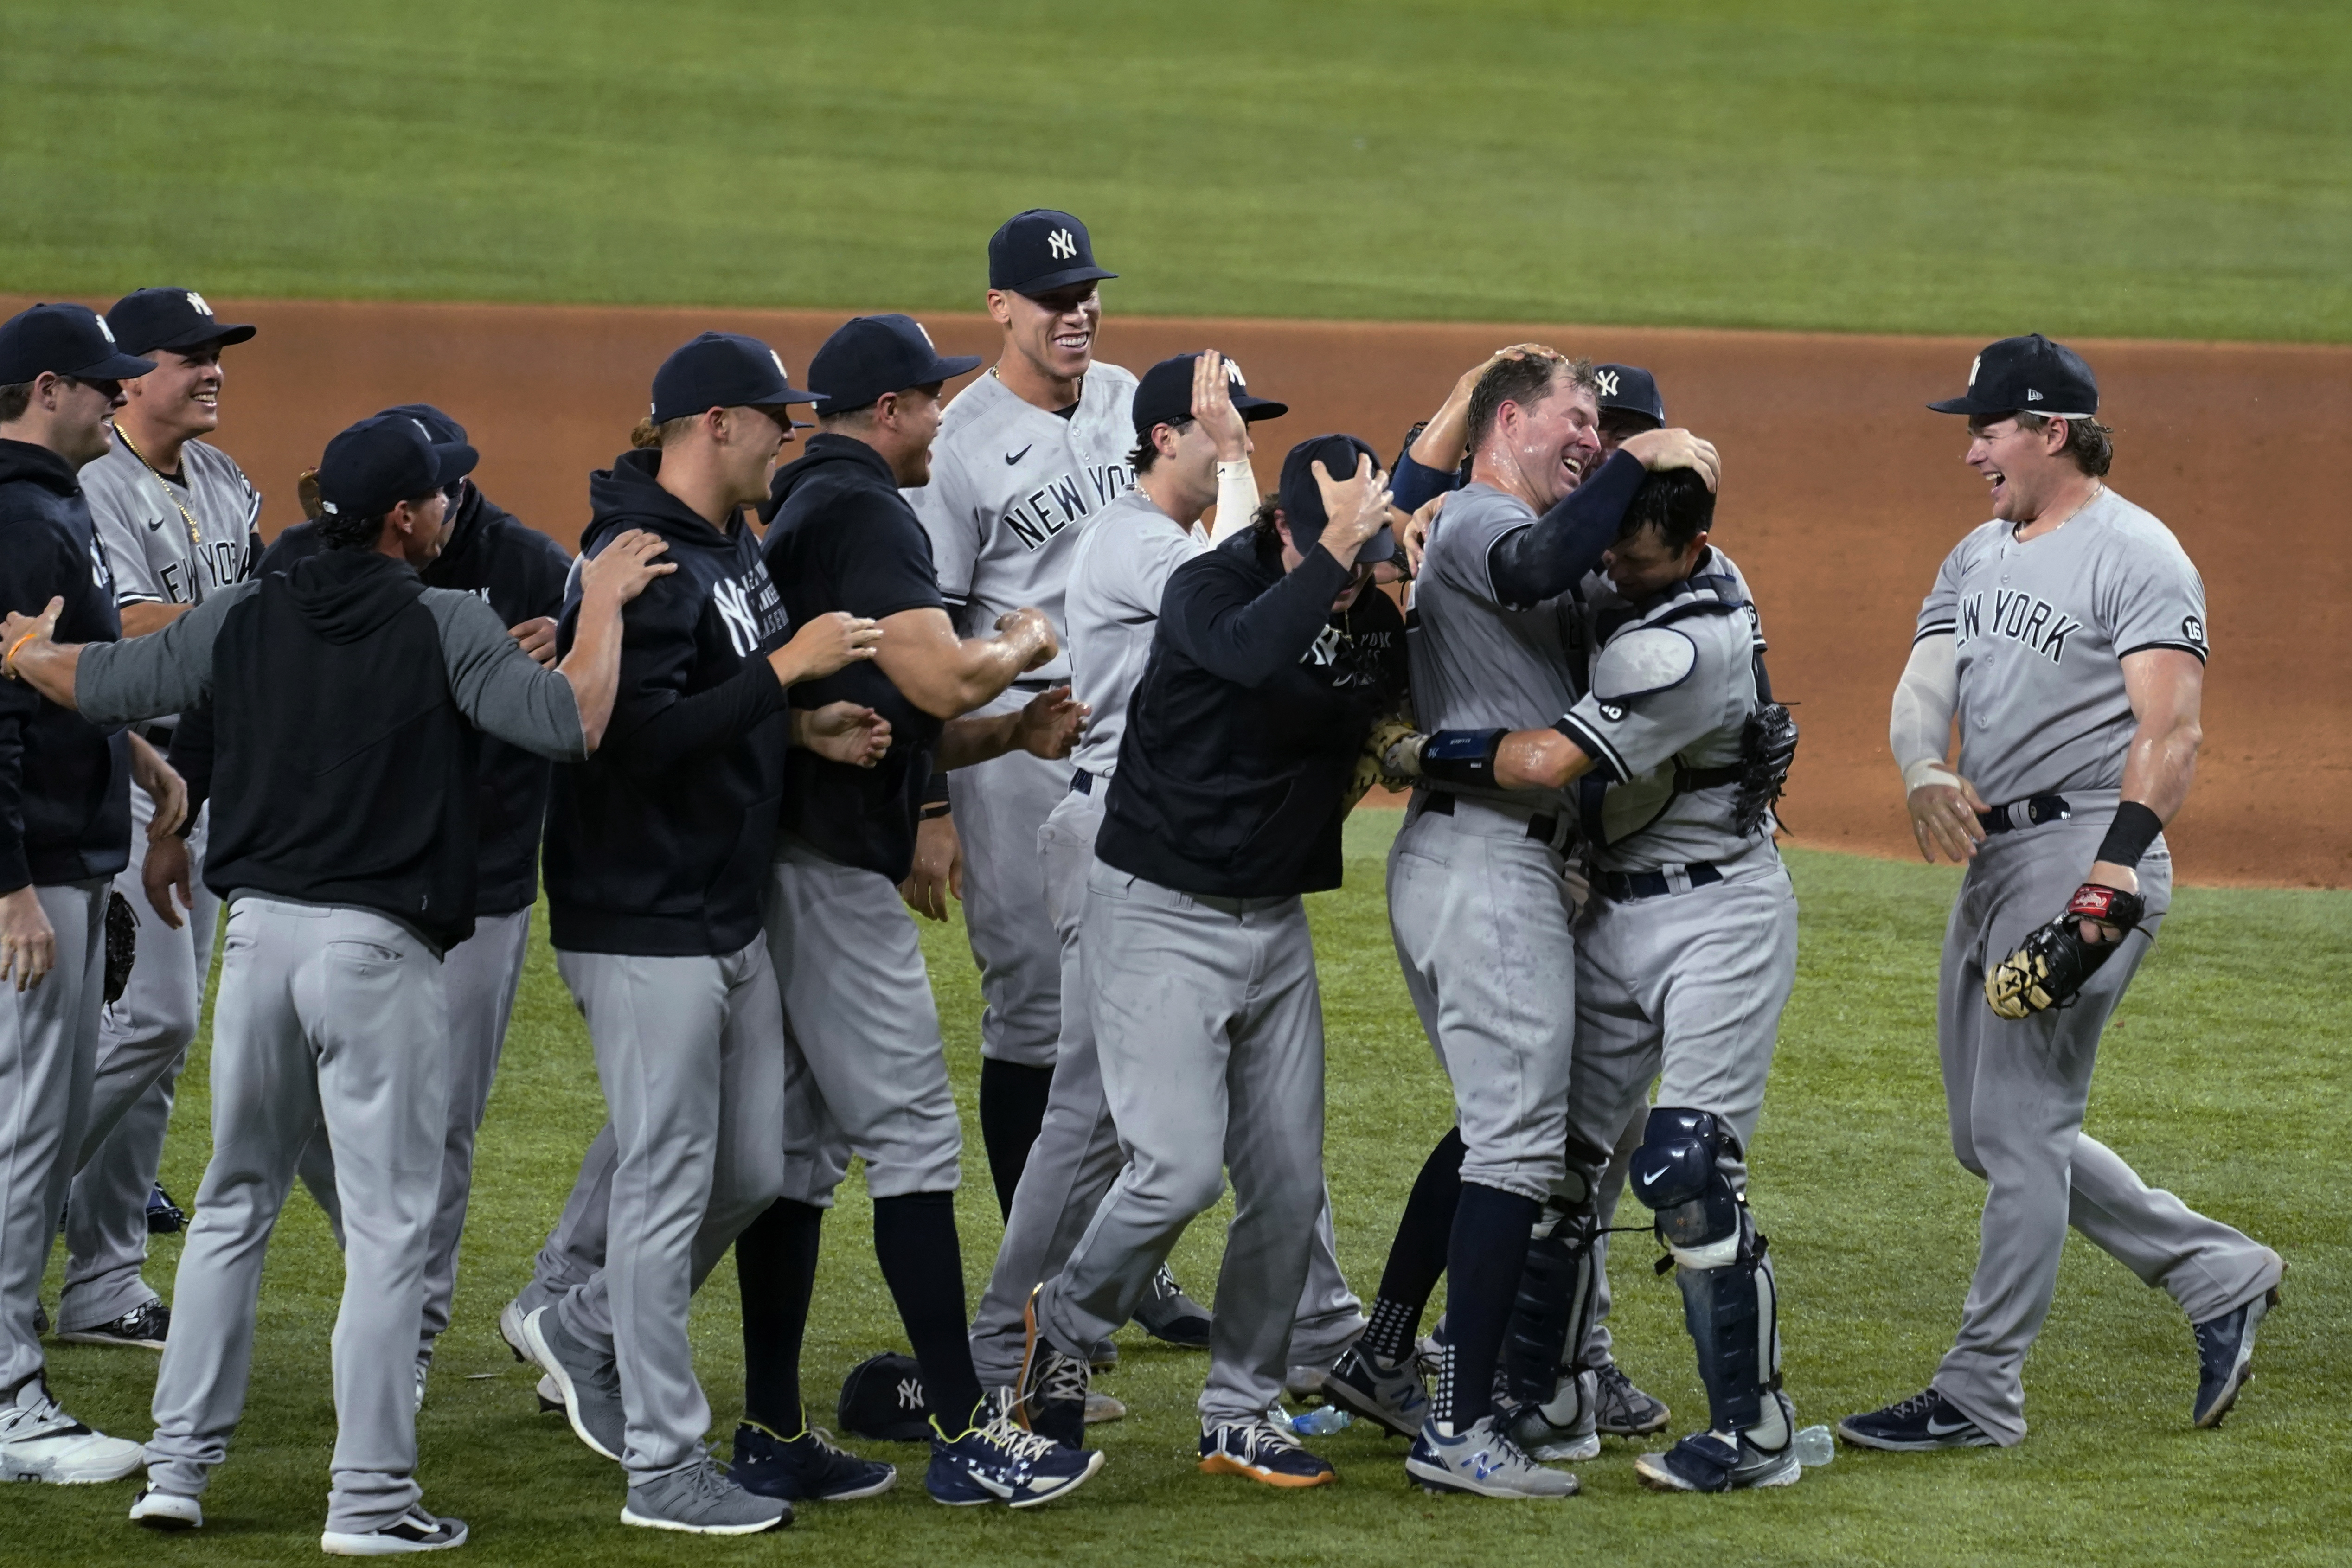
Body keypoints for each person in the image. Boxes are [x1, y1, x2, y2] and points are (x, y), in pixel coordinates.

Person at [3, 408, 673, 1550]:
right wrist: (598, 603)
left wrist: (22, 652)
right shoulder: (447, 619)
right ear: (404, 519)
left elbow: (108, 682)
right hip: (376, 957)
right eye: (435, 499)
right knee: (393, 1228)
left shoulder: (247, 612)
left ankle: (177, 1468)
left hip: (259, 947)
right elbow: (575, 722)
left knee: (228, 1208)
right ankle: (368, 1501)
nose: (448, 511)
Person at [1840, 334, 2284, 1452]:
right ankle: (2217, 1270)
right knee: (1983, 1132)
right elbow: (1921, 683)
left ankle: (1980, 1389)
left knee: (2024, 1125)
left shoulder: (2138, 554)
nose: (1972, 449)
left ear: (2050, 431)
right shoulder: (1979, 552)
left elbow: (2169, 730)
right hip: (1997, 856)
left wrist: (2112, 870)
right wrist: (1922, 767)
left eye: (1987, 427)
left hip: (2088, 847)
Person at [512, 332, 891, 1536]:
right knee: (671, 1181)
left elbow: (722, 710)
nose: (793, 432)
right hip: (643, 916)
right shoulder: (633, 561)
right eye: (776, 417)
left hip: (721, 912)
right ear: (713, 423)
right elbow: (635, 739)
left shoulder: (727, 543)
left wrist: (796, 726)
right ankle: (665, 1471)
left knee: (749, 1166)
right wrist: (787, 673)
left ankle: (580, 1324)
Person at [1320, 350, 1716, 1499]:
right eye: (1575, 417)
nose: (1593, 438)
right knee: (1515, 1148)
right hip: (1489, 861)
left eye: (1605, 425)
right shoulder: (1487, 517)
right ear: (1509, 420)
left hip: (1488, 863)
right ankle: (1459, 1426)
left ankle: (1387, 1349)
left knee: (1493, 1127)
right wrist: (1640, 452)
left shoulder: (1509, 524)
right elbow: (1539, 553)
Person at [737, 311, 1102, 1510]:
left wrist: (1009, 731)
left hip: (792, 859)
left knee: (798, 1151)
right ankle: (964, 1429)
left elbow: (910, 717)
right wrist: (1026, 646)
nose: (945, 417)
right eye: (930, 400)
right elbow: (940, 673)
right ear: (887, 410)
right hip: (833, 872)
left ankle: (774, 1426)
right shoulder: (864, 512)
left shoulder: (809, 508)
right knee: (912, 1140)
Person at [974, 351, 1365, 1427]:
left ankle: (1320, 1321)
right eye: (1226, 430)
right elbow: (1247, 626)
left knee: (1259, 1127)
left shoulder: (1189, 545)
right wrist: (1272, 500)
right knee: (1094, 1117)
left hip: (1199, 838)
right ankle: (1005, 1337)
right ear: (1165, 438)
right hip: (1125, 835)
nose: (1242, 445)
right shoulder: (1141, 545)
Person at [1403, 468, 1804, 1491]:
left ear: (1688, 545)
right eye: (1604, 548)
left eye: (1632, 556)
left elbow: (1542, 761)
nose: (1612, 570)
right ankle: (1547, 1395)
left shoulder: (1673, 646)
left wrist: (1408, 750)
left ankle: (1752, 1433)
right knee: (1560, 1165)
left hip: (1718, 913)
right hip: (1615, 906)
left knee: (1685, 1166)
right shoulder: (1679, 581)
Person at [259, 403, 573, 1409]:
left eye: (450, 484)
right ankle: (384, 1254)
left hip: (478, 878)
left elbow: (584, 702)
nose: (445, 501)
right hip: (346, 874)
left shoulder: (524, 561)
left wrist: (572, 640)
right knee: (294, 1105)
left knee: (439, 1122)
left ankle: (414, 1329)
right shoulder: (312, 555)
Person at [58, 289, 260, 1356]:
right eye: (191, 356)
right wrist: (260, 617)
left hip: (208, 770)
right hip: (132, 772)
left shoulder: (225, 480)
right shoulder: (96, 483)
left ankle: (103, 1280)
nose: (213, 369)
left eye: (218, 352)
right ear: (130, 375)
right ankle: (28, 1183)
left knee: (154, 1045)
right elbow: (131, 629)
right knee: (153, 1019)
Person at [0, 301, 170, 1487]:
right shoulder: (18, 515)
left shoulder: (47, 501)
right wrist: (10, 888)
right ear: (45, 386)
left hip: (67, 850)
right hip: (34, 872)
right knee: (25, 1135)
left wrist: (145, 761)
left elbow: (70, 682)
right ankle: (9, 1399)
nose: (119, 399)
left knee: (30, 1128)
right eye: (101, 384)